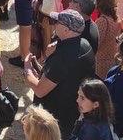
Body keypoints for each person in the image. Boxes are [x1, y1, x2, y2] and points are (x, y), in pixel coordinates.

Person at [24, 9, 95, 138]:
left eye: (57, 22)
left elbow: (40, 90)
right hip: (71, 111)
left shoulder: (63, 56)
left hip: (55, 118)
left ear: (67, 30)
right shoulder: (85, 45)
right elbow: (63, 77)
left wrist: (27, 69)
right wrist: (41, 70)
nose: (54, 24)